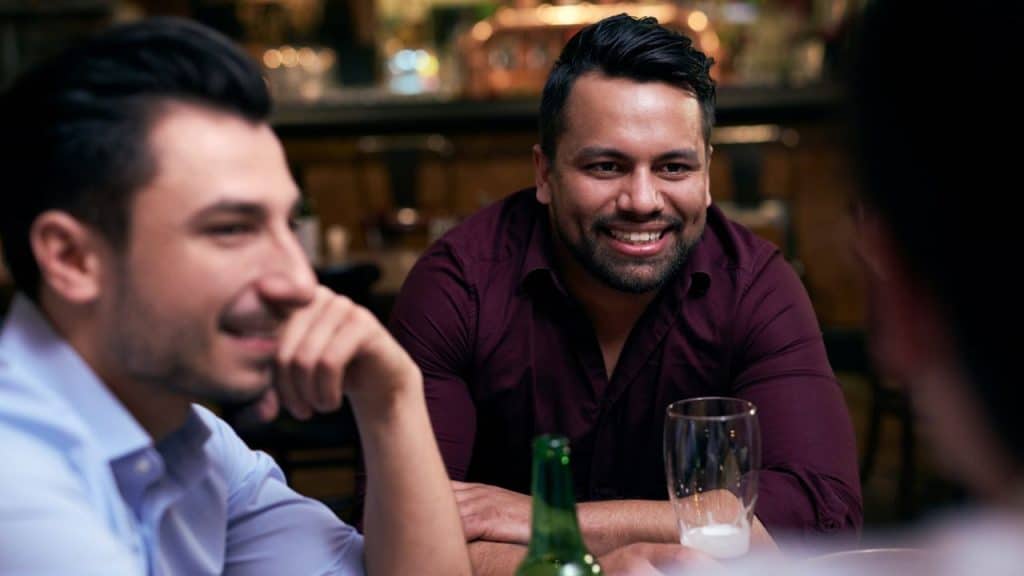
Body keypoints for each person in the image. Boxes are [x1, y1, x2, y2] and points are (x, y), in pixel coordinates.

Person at [388, 13, 861, 573]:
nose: (642, 199)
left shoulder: (755, 286)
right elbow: (401, 535)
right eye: (607, 165)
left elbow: (819, 514)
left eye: (673, 167)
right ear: (545, 173)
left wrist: (543, 518)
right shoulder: (457, 286)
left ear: (706, 176)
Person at [0, 18, 471, 576]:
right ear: (73, 259)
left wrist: (391, 400)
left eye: (287, 225)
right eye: (231, 229)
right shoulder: (18, 484)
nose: (299, 282)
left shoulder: (188, 436)